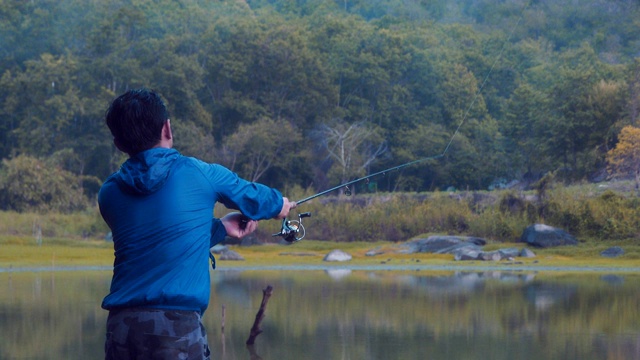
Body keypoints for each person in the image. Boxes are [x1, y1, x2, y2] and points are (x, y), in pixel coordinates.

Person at [98, 88, 296, 359]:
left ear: (118, 143)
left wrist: (221, 228)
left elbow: (155, 239)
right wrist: (279, 205)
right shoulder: (199, 173)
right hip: (176, 327)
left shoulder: (108, 193)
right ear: (167, 128)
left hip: (121, 329)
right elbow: (252, 196)